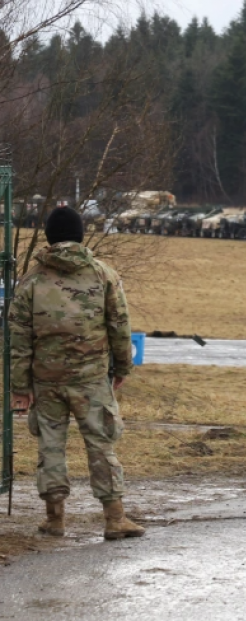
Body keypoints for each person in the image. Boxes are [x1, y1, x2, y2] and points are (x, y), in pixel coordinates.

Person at [9, 206, 144, 540]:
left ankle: (54, 519)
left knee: (50, 446)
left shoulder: (31, 281)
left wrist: (19, 386)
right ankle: (114, 519)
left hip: (46, 379)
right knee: (101, 444)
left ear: (49, 237)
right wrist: (123, 366)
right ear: (81, 235)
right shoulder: (103, 274)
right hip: (91, 379)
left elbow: (18, 339)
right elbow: (120, 326)